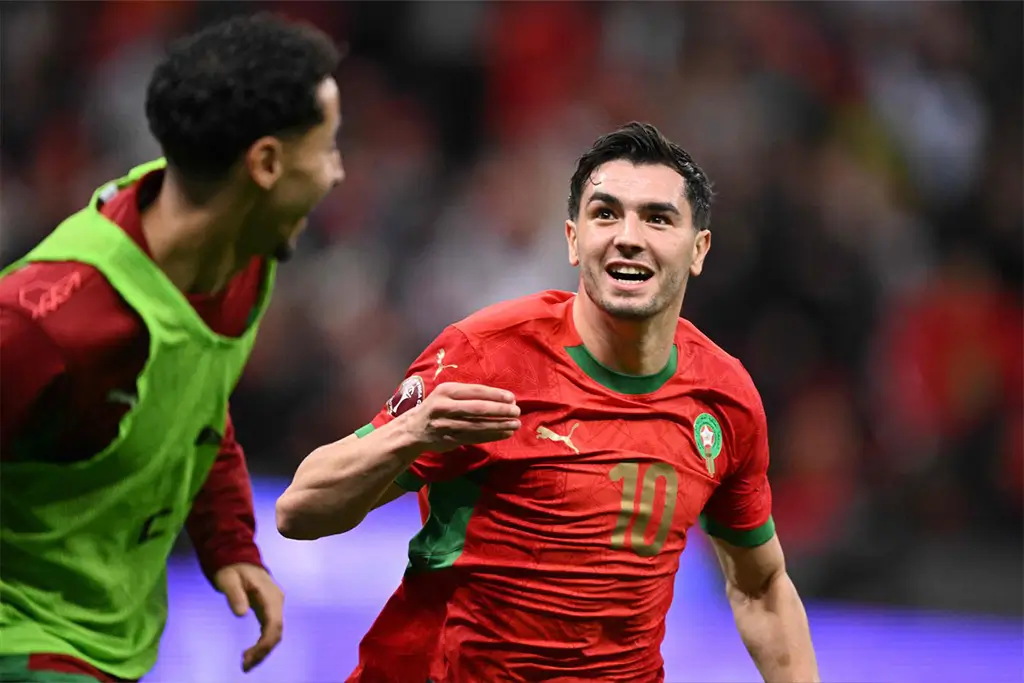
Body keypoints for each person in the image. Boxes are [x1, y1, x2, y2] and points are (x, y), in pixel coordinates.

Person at [276, 122, 819, 683]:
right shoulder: (486, 358)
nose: (628, 237)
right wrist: (412, 433)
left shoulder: (724, 398)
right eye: (606, 214)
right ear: (573, 240)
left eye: (657, 218)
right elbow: (299, 511)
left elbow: (760, 587)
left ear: (698, 249)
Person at [0, 13, 345, 683]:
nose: (337, 173)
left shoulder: (241, 254)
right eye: (328, 147)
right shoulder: (49, 323)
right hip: (26, 640)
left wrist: (229, 541)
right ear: (265, 163)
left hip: (114, 641)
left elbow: (190, 404)